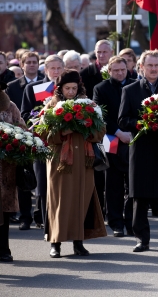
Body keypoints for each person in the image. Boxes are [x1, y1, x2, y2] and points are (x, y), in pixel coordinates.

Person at [118, 50, 158, 252]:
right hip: (141, 149)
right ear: (141, 67)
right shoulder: (130, 90)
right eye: (150, 66)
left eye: (156, 65)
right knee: (140, 196)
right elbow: (122, 120)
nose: (153, 69)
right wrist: (144, 124)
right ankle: (142, 240)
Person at [42, 70, 107, 258]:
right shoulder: (51, 107)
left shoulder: (89, 106)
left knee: (81, 199)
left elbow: (101, 130)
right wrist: (64, 131)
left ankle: (79, 242)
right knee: (59, 201)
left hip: (84, 161)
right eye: (67, 88)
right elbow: (45, 134)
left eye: (74, 88)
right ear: (60, 89)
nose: (71, 91)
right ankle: (55, 242)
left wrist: (87, 128)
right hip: (60, 162)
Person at [20, 55, 64, 229]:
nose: (55, 72)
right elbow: (24, 116)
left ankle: (65, 225)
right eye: (51, 68)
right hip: (42, 145)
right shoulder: (34, 88)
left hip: (64, 145)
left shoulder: (69, 88)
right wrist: (41, 117)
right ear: (45, 70)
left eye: (58, 68)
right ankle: (48, 227)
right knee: (44, 188)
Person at [93, 57, 135, 237]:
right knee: (113, 185)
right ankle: (116, 223)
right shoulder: (100, 88)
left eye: (123, 70)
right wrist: (119, 132)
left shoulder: (135, 85)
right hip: (111, 141)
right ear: (109, 71)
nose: (120, 73)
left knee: (133, 185)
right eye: (116, 70)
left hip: (133, 139)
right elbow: (101, 116)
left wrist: (132, 133)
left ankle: (132, 222)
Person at [5, 51, 44, 231]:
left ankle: (40, 215)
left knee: (40, 179)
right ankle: (25, 217)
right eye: (28, 62)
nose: (31, 65)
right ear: (22, 65)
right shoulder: (12, 87)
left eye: (34, 62)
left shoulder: (46, 84)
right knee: (24, 178)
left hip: (40, 136)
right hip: (20, 137)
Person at [81, 40, 112, 216]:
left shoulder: (120, 71)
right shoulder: (86, 73)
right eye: (98, 52)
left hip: (115, 129)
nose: (101, 55)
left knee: (114, 174)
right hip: (94, 130)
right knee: (98, 172)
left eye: (105, 52)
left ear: (111, 52)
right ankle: (99, 209)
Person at [0, 81, 26, 262]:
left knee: (4, 210)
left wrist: (12, 139)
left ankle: (4, 249)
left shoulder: (9, 106)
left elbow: (22, 129)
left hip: (5, 168)